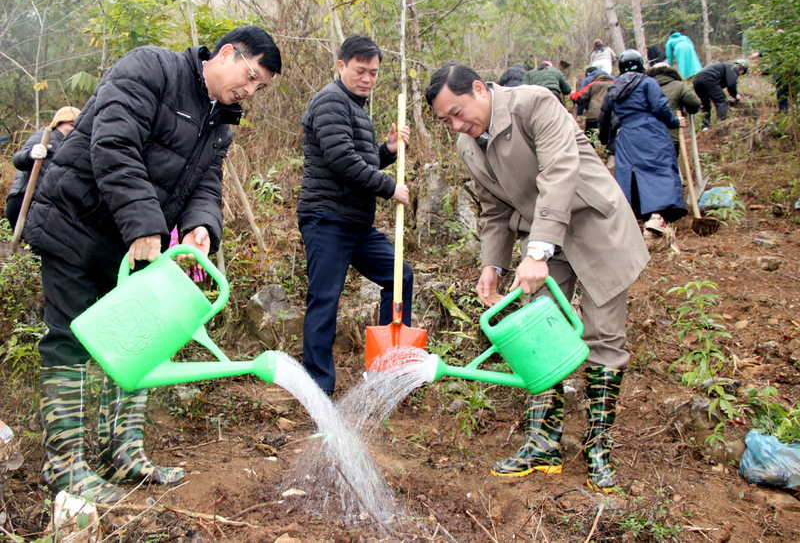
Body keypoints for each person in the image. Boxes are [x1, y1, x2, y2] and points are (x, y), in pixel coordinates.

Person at [22, 26, 282, 503]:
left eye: (259, 87)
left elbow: (206, 182)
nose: (249, 90)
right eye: (249, 77)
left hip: (137, 245)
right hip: (77, 224)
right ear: (226, 54)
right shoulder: (151, 69)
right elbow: (114, 143)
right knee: (68, 340)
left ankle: (123, 454)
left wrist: (202, 225)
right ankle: (64, 466)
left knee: (140, 343)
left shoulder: (222, 120)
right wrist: (144, 221)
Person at [425, 62, 649, 493]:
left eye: (458, 111)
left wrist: (538, 249)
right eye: (446, 120)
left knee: (602, 334)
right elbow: (493, 210)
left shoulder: (534, 104)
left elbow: (559, 172)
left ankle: (598, 447)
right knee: (539, 333)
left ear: (479, 88)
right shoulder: (467, 145)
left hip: (594, 226)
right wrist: (492, 266)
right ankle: (543, 443)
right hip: (539, 236)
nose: (456, 124)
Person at [297, 35, 412, 397]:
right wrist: (389, 186)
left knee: (400, 275)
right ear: (341, 66)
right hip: (327, 218)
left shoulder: (357, 106)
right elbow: (342, 161)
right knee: (325, 298)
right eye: (360, 71)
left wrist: (388, 150)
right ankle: (318, 388)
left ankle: (387, 370)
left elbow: (360, 159)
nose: (367, 79)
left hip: (356, 223)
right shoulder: (331, 101)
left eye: (374, 73)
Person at [599, 50, 687, 239]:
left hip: (626, 135)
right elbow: (660, 107)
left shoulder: (613, 88)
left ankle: (631, 220)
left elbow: (604, 116)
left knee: (631, 175)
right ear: (641, 64)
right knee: (659, 169)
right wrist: (675, 122)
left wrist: (605, 139)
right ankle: (656, 217)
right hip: (650, 131)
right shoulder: (647, 82)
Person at [6, 106, 80, 229]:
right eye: (70, 124)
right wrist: (30, 154)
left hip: (46, 206)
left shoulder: (71, 146)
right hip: (25, 201)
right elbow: (18, 160)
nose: (73, 129)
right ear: (58, 123)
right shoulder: (44, 136)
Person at [647, 63, 701, 155]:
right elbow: (694, 104)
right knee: (669, 167)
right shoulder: (678, 86)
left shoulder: (644, 88)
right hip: (670, 138)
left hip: (647, 138)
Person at [692, 60, 747, 129]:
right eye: (742, 73)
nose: (739, 75)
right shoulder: (734, 67)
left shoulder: (723, 66)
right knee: (721, 102)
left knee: (706, 105)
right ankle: (720, 126)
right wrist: (735, 95)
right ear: (742, 68)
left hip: (697, 80)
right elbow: (731, 85)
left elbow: (720, 86)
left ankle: (705, 127)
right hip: (709, 79)